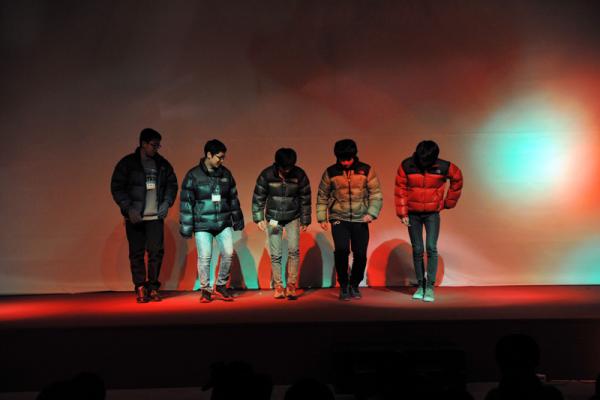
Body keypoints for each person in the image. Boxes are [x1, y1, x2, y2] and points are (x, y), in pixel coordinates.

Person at [110, 128, 178, 303]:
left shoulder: (162, 164)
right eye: (154, 145)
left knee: (156, 253)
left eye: (158, 145)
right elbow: (117, 187)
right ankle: (140, 287)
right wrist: (128, 208)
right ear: (143, 144)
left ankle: (153, 287)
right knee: (136, 253)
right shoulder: (127, 163)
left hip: (155, 217)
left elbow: (172, 185)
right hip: (135, 218)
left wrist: (166, 202)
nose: (156, 148)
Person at [394, 140, 462, 302]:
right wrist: (402, 213)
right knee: (417, 249)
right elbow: (400, 189)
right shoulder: (407, 165)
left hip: (432, 214)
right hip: (412, 214)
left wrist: (448, 202)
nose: (424, 163)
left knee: (431, 247)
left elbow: (457, 179)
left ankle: (430, 287)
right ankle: (420, 285)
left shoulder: (444, 166)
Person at [316, 139, 383, 301]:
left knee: (360, 254)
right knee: (341, 250)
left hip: (361, 219)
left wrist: (371, 213)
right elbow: (322, 195)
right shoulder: (331, 172)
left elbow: (376, 194)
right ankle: (344, 285)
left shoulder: (366, 170)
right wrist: (322, 217)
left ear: (354, 155)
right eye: (342, 159)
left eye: (348, 159)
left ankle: (354, 284)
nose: (345, 163)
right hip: (339, 217)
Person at [179, 139, 244, 303]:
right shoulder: (193, 175)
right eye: (219, 157)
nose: (222, 160)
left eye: (223, 157)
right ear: (209, 154)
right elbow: (186, 202)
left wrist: (237, 220)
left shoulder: (226, 174)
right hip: (202, 224)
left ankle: (221, 285)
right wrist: (186, 228)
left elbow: (233, 198)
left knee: (228, 254)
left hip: (223, 222)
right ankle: (206, 290)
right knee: (205, 257)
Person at [252, 148, 311, 300]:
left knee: (294, 251)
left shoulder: (299, 175)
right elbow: (258, 197)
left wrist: (305, 220)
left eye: (290, 167)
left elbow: (305, 198)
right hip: (274, 218)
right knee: (276, 253)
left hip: (293, 217)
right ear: (277, 164)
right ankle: (278, 286)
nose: (287, 171)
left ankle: (291, 286)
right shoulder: (266, 175)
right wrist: (258, 218)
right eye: (284, 168)